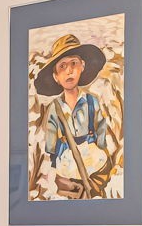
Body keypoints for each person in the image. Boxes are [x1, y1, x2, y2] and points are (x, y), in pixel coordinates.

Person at [32, 33, 122, 198]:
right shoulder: (55, 108)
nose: (69, 71)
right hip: (67, 159)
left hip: (92, 157)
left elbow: (100, 126)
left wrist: (101, 147)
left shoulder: (90, 101)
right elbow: (51, 137)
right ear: (56, 77)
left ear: (82, 66)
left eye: (74, 63)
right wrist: (52, 161)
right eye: (62, 66)